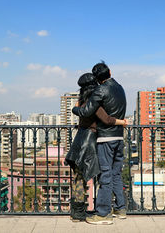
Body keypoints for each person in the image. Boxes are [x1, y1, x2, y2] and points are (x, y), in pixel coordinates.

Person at [65, 73, 127, 222]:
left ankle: (77, 213)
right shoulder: (94, 102)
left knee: (79, 177)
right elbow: (106, 119)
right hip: (91, 142)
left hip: (79, 141)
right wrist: (122, 122)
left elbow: (81, 116)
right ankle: (104, 210)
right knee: (103, 175)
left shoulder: (81, 101)